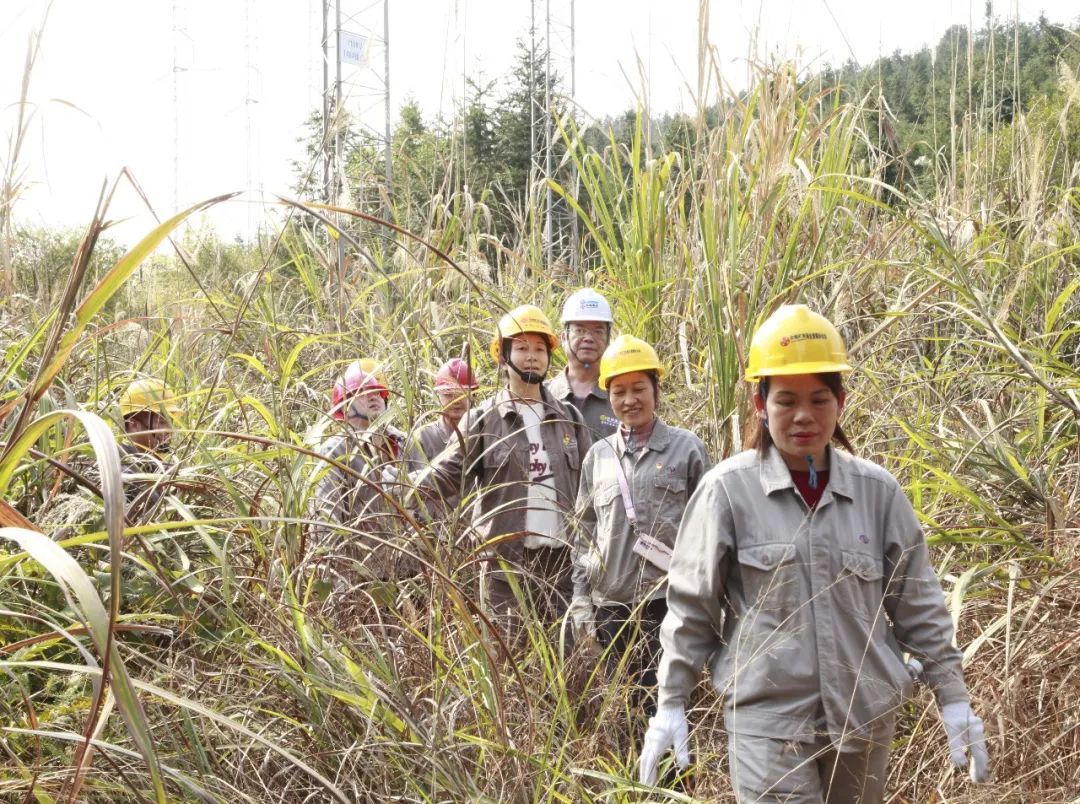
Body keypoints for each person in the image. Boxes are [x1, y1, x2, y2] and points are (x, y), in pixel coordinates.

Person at [638, 305, 990, 800]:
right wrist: (670, 702)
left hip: (863, 716)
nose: (804, 415)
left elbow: (919, 607)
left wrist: (953, 698)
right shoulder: (727, 492)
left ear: (841, 401)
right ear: (761, 404)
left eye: (819, 399)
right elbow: (691, 608)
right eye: (786, 400)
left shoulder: (878, 494)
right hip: (768, 723)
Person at [411, 304, 591, 634]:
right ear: (502, 355)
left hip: (561, 566)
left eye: (539, 348)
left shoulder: (569, 418)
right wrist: (398, 482)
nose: (532, 356)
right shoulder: (483, 419)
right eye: (522, 348)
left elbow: (590, 489)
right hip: (504, 569)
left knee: (565, 664)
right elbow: (447, 475)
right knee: (509, 666)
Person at [571, 335, 710, 720]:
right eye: (619, 391)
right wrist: (582, 601)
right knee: (624, 712)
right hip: (611, 607)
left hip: (669, 603)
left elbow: (711, 529)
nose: (629, 400)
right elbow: (582, 534)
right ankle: (634, 779)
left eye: (638, 389)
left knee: (672, 707)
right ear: (609, 397)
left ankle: (675, 781)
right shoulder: (597, 457)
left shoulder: (688, 449)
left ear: (656, 390)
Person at [311, 359, 424, 584]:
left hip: (416, 573)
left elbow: (430, 499)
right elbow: (325, 521)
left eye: (377, 392)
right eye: (361, 393)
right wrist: (340, 585)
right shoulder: (335, 451)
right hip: (364, 578)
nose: (373, 396)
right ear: (344, 406)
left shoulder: (406, 442)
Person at [547, 288, 620, 441]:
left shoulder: (622, 396)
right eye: (579, 330)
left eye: (598, 331)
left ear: (608, 339)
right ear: (564, 337)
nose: (588, 338)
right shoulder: (542, 395)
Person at [117, 378, 183, 516]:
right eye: (162, 422)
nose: (170, 430)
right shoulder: (119, 468)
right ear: (133, 424)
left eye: (170, 422)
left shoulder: (163, 466)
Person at [415, 357, 480, 461]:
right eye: (448, 394)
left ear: (473, 395)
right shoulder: (423, 437)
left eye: (461, 394)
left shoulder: (483, 434)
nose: (456, 400)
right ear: (438, 396)